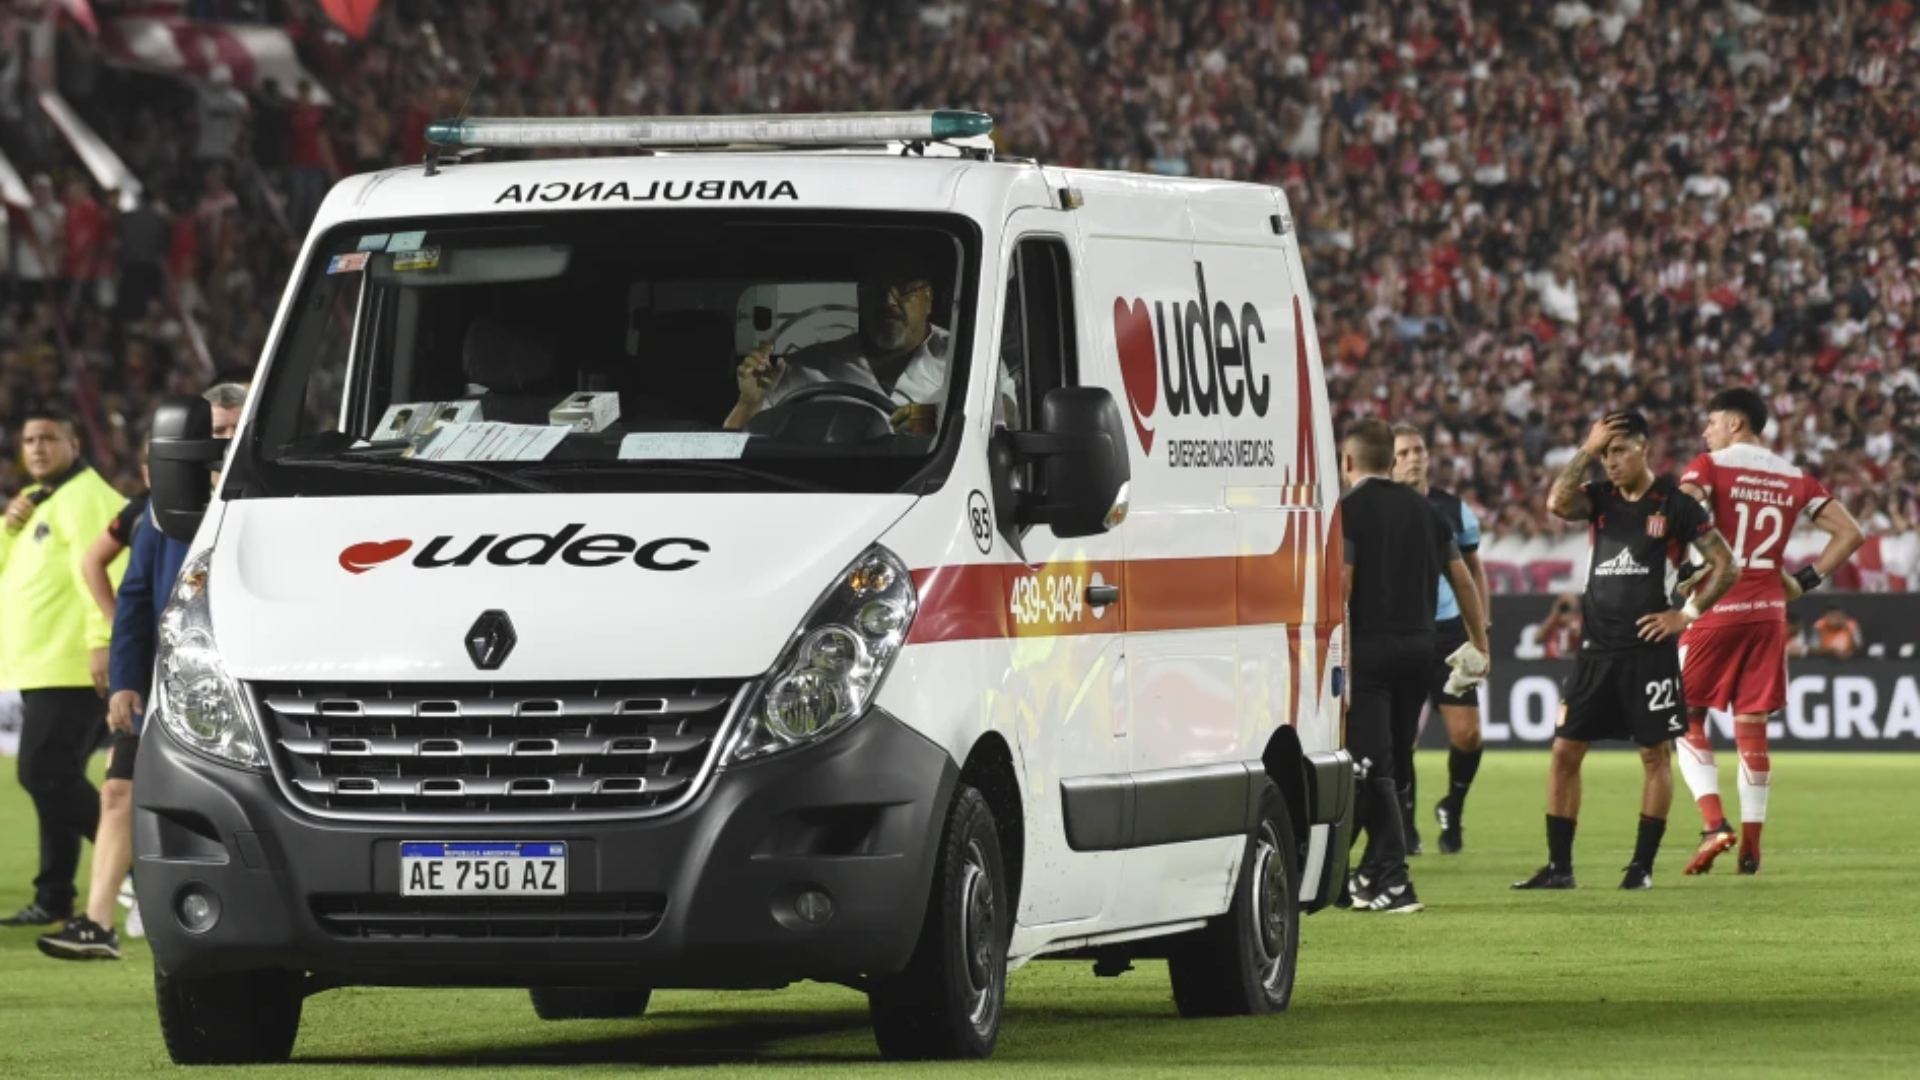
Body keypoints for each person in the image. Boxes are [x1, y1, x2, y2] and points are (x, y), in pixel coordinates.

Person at [36, 385, 244, 959]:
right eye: (214, 432)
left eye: (233, 431)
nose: (222, 443)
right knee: (116, 791)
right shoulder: (160, 508)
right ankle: (98, 925)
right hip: (166, 680)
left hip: (240, 687)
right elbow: (133, 598)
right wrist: (126, 678)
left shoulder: (267, 506)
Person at [1515, 412, 1736, 892]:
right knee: (1564, 752)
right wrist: (1586, 450)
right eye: (1606, 453)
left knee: (1654, 756)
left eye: (1619, 451)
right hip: (1595, 651)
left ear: (1644, 450)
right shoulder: (1599, 500)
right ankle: (1559, 868)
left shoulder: (1675, 506)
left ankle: (1641, 868)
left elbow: (1725, 565)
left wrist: (1687, 614)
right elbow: (1556, 502)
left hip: (1648, 652)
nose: (1610, 462)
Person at [1672, 387, 1865, 876]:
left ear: (1736, 424)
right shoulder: (1795, 477)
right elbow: (1851, 533)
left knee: (1683, 715)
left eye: (1712, 422)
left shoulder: (1710, 466)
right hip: (1770, 611)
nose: (1706, 432)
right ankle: (1752, 846)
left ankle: (1714, 823)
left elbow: (1675, 512)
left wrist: (1688, 565)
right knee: (1752, 726)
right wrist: (1803, 581)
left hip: (1719, 603)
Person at [1339, 418, 1490, 914]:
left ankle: (1394, 877)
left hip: (1369, 653)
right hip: (1420, 651)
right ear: (1390, 460)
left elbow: (1342, 585)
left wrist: (1333, 658)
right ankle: (1366, 875)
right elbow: (1464, 580)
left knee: (1369, 763)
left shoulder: (1346, 513)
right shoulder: (1427, 512)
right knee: (1395, 761)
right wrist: (1479, 642)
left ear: (1348, 463)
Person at [0, 411, 129, 927]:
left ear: (75, 443)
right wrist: (8, 528)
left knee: (43, 772)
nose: (36, 448)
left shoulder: (89, 498)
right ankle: (54, 893)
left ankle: (135, 863)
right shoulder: (36, 502)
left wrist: (101, 641)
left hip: (74, 665)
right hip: (41, 664)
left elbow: (108, 569)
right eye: (29, 440)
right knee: (56, 777)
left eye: (49, 438)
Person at [724, 248, 1005, 433]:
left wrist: (930, 419)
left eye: (904, 289)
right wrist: (748, 403)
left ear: (929, 297)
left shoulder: (972, 355)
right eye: (877, 289)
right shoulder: (804, 368)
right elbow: (735, 452)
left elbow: (1008, 417)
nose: (888, 301)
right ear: (860, 298)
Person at [1391, 423, 1492, 855]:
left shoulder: (1453, 509)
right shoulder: (1379, 508)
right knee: (1400, 739)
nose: (1413, 458)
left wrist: (1480, 626)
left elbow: (1474, 569)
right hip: (1400, 631)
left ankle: (1452, 805)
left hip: (1450, 632)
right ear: (1390, 462)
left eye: (1418, 450)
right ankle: (1406, 826)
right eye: (1403, 453)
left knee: (1467, 736)